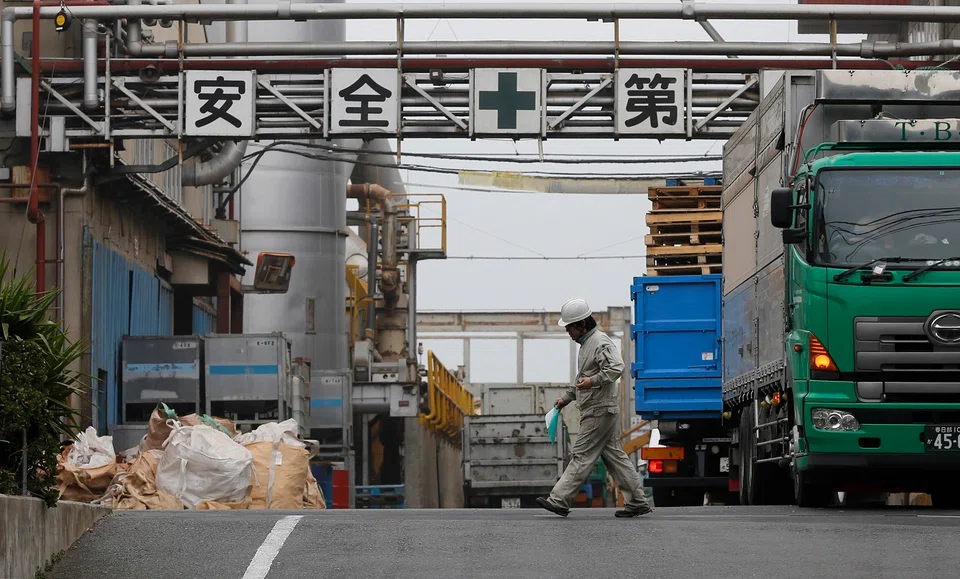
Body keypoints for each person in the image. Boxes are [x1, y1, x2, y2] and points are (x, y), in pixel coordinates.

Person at [536, 297, 654, 518]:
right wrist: (566, 398)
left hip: (599, 409)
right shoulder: (586, 345)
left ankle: (559, 499)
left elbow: (616, 367)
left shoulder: (599, 342)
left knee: (581, 454)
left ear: (582, 325)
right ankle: (638, 501)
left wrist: (594, 381)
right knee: (615, 457)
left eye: (569, 327)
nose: (567, 332)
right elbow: (583, 379)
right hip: (598, 409)